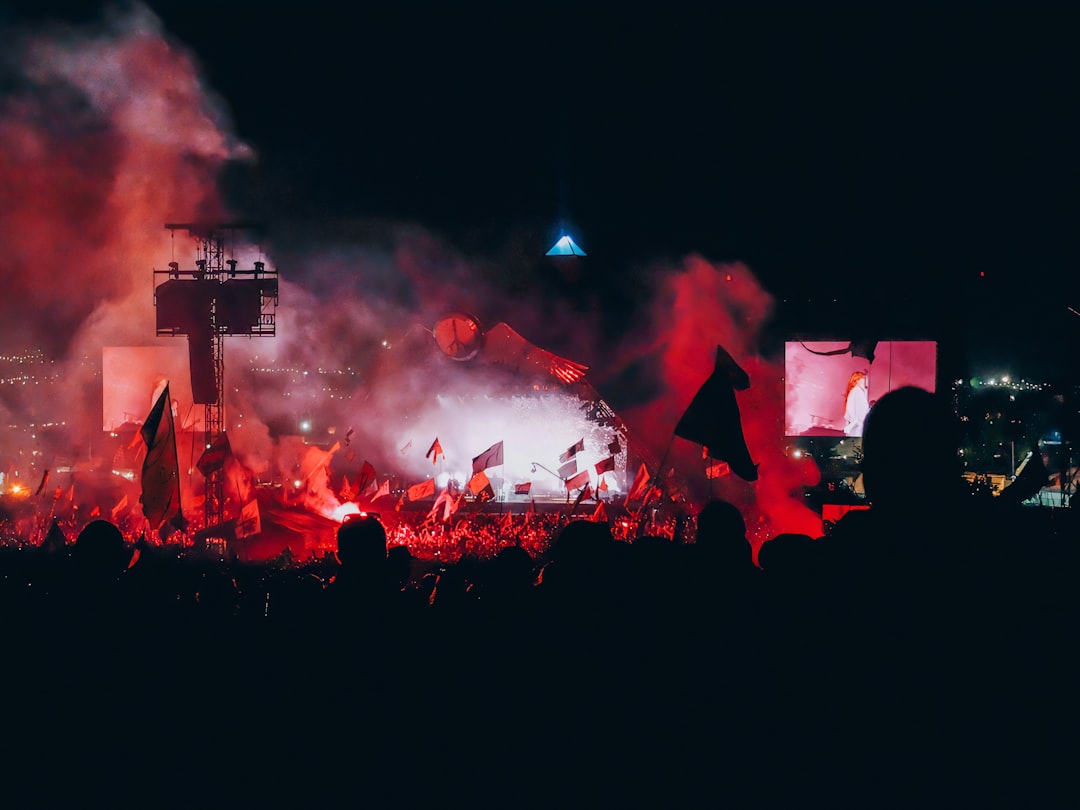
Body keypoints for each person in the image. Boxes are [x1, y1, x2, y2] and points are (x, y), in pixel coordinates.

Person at [842, 370, 870, 437]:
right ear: (857, 381)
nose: (865, 382)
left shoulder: (853, 392)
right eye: (863, 379)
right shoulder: (858, 392)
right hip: (858, 430)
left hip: (854, 430)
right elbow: (863, 412)